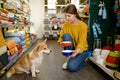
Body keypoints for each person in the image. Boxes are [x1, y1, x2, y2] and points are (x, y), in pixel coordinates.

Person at [57, 4, 90, 72]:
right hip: (72, 49)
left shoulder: (83, 26)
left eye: (69, 16)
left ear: (75, 14)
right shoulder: (66, 24)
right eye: (65, 15)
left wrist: (77, 51)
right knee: (66, 35)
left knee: (71, 67)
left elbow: (82, 42)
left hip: (81, 50)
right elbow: (61, 36)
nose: (66, 18)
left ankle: (82, 60)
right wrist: (61, 43)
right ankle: (70, 58)